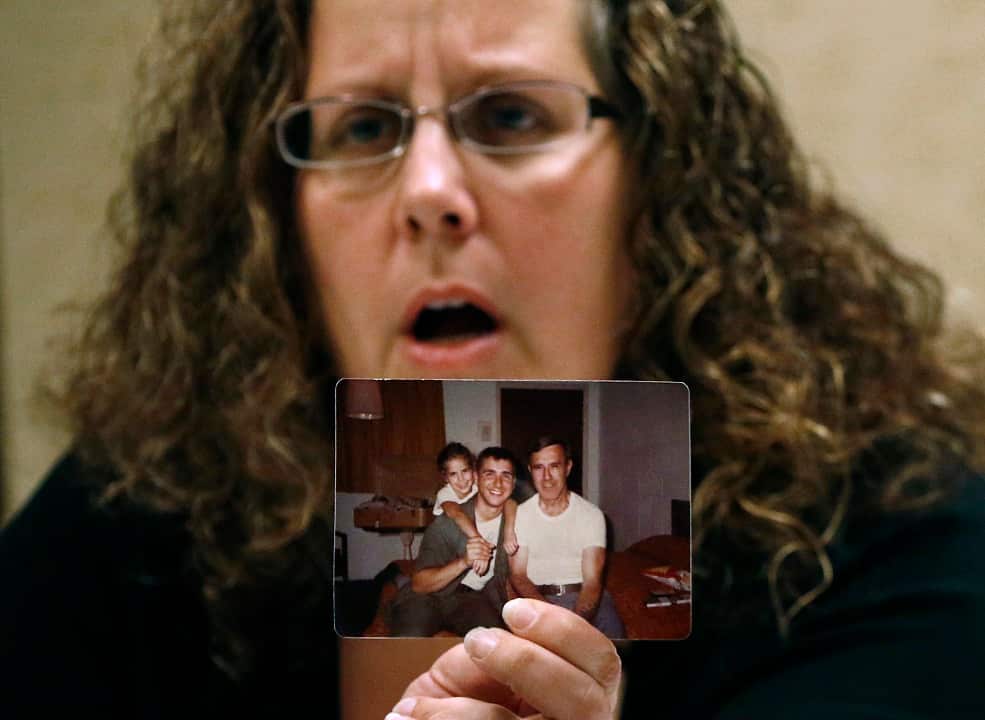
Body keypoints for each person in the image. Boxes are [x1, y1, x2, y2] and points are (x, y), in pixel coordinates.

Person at [0, 0, 982, 718]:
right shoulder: (147, 512)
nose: (428, 191)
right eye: (364, 127)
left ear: (661, 180)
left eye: (510, 116)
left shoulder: (890, 538)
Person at [389, 447, 518, 637]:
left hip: (470, 599)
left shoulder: (516, 523)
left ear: (513, 483)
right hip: (427, 597)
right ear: (477, 477)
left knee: (495, 640)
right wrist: (464, 561)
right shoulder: (446, 522)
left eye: (505, 476)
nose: (498, 483)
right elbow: (419, 584)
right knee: (411, 638)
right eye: (489, 474)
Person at [509, 437, 624, 638]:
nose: (547, 477)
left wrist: (573, 626)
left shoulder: (591, 515)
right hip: (538, 600)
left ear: (568, 467)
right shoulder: (521, 515)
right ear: (530, 470)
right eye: (539, 467)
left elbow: (592, 583)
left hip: (585, 599)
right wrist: (550, 617)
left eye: (554, 466)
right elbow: (518, 575)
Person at [433, 442, 520, 572]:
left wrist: (509, 530)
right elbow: (457, 514)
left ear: (473, 472)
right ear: (445, 477)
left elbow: (510, 502)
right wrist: (480, 543)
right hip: (447, 543)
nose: (461, 479)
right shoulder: (445, 494)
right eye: (453, 474)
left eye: (465, 471)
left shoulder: (476, 486)